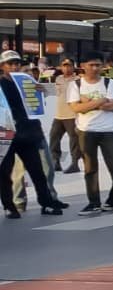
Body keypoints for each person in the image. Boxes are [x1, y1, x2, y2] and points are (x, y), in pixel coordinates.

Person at [0, 50, 68, 218]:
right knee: (5, 172)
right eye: (10, 64)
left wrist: (40, 91)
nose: (14, 66)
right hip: (6, 133)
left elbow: (37, 105)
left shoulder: (27, 82)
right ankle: (9, 206)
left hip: (28, 133)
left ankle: (46, 203)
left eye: (17, 63)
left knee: (38, 171)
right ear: (3, 66)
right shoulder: (2, 84)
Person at [67, 52, 113, 215]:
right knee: (90, 169)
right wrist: (101, 100)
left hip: (108, 130)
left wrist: (87, 102)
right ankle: (93, 202)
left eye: (98, 65)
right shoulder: (76, 85)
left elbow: (112, 106)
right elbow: (76, 108)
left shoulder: (110, 83)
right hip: (86, 130)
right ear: (83, 66)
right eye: (91, 65)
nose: (95, 68)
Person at [49, 57, 82, 173]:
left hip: (72, 115)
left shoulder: (78, 80)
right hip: (59, 115)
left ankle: (75, 163)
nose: (67, 68)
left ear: (73, 67)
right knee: (54, 137)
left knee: (74, 140)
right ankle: (55, 161)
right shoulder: (58, 78)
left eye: (69, 65)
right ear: (61, 67)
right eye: (64, 65)